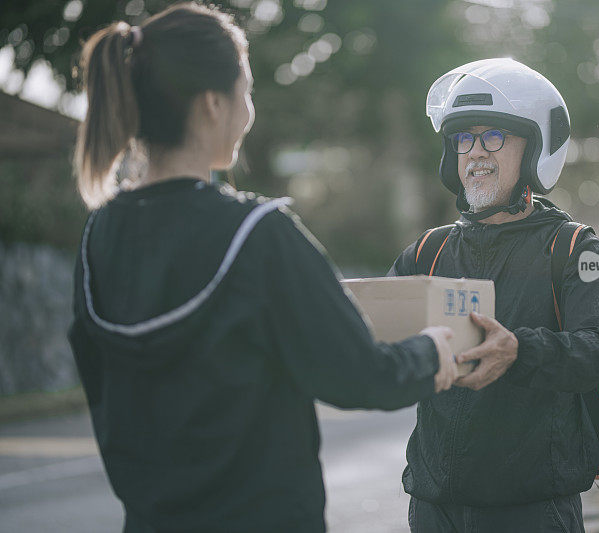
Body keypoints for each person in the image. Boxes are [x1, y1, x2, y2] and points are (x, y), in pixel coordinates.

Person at [67, 4, 460, 532]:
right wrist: (436, 348)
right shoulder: (258, 233)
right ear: (211, 104)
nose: (249, 112)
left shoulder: (99, 236)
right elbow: (360, 375)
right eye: (244, 92)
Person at [388, 58, 599, 532]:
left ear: (535, 147)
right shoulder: (429, 250)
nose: (475, 153)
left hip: (532, 509)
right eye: (463, 139)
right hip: (435, 509)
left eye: (493, 137)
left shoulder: (574, 247)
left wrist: (520, 350)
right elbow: (378, 328)